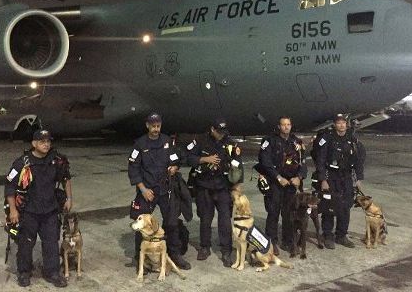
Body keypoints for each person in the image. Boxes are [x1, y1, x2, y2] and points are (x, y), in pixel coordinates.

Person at [4, 129, 71, 288]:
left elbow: (66, 178)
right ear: (34, 144)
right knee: (26, 244)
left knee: (51, 243)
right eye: (42, 142)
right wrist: (13, 210)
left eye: (48, 141)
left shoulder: (57, 160)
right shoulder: (22, 162)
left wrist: (69, 198)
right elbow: (9, 186)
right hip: (29, 212)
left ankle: (52, 272)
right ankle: (24, 272)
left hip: (50, 210)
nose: (46, 144)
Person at [128, 113, 191, 270]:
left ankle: (174, 254)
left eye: (158, 126)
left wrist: (174, 167)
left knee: (172, 222)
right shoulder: (140, 144)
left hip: (165, 189)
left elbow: (176, 159)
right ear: (147, 125)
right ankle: (139, 257)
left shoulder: (166, 141)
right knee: (142, 223)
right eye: (153, 126)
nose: (156, 129)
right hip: (147, 190)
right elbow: (133, 169)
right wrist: (143, 190)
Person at [185, 118, 243, 267]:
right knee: (205, 219)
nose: (221, 134)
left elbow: (238, 163)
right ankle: (204, 247)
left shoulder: (230, 143)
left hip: (223, 187)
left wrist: (237, 184)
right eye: (219, 131)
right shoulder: (200, 141)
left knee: (224, 220)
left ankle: (226, 250)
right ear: (212, 129)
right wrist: (205, 159)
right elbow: (189, 158)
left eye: (223, 131)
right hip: (204, 186)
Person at [255, 116, 307, 254]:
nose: (286, 127)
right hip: (275, 183)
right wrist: (278, 177)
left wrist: (299, 177)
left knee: (288, 213)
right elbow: (264, 162)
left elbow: (303, 162)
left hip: (291, 184)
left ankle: (287, 241)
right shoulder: (269, 141)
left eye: (288, 124)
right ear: (279, 126)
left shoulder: (296, 141)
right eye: (283, 124)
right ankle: (272, 242)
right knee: (273, 213)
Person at [315, 114, 365, 249]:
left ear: (347, 124)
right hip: (331, 176)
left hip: (347, 177)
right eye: (339, 123)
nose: (341, 125)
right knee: (329, 206)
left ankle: (341, 235)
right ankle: (328, 235)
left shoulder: (353, 139)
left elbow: (359, 159)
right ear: (334, 124)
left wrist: (359, 178)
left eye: (344, 122)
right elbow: (320, 160)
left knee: (346, 206)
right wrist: (323, 179)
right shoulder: (327, 139)